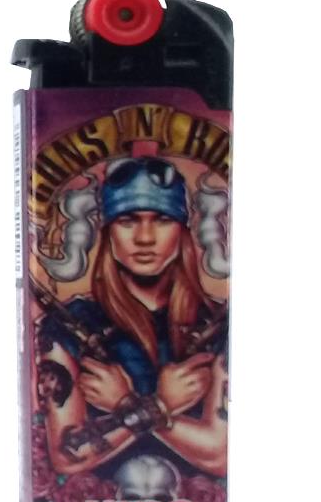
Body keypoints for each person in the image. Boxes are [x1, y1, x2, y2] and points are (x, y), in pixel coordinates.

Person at [37, 156, 228, 479]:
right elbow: (67, 456)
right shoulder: (68, 325)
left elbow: (219, 453)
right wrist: (162, 406)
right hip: (97, 499)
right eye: (128, 221)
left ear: (182, 230)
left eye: (162, 220)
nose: (145, 238)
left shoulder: (218, 323)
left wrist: (124, 405)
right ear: (108, 231)